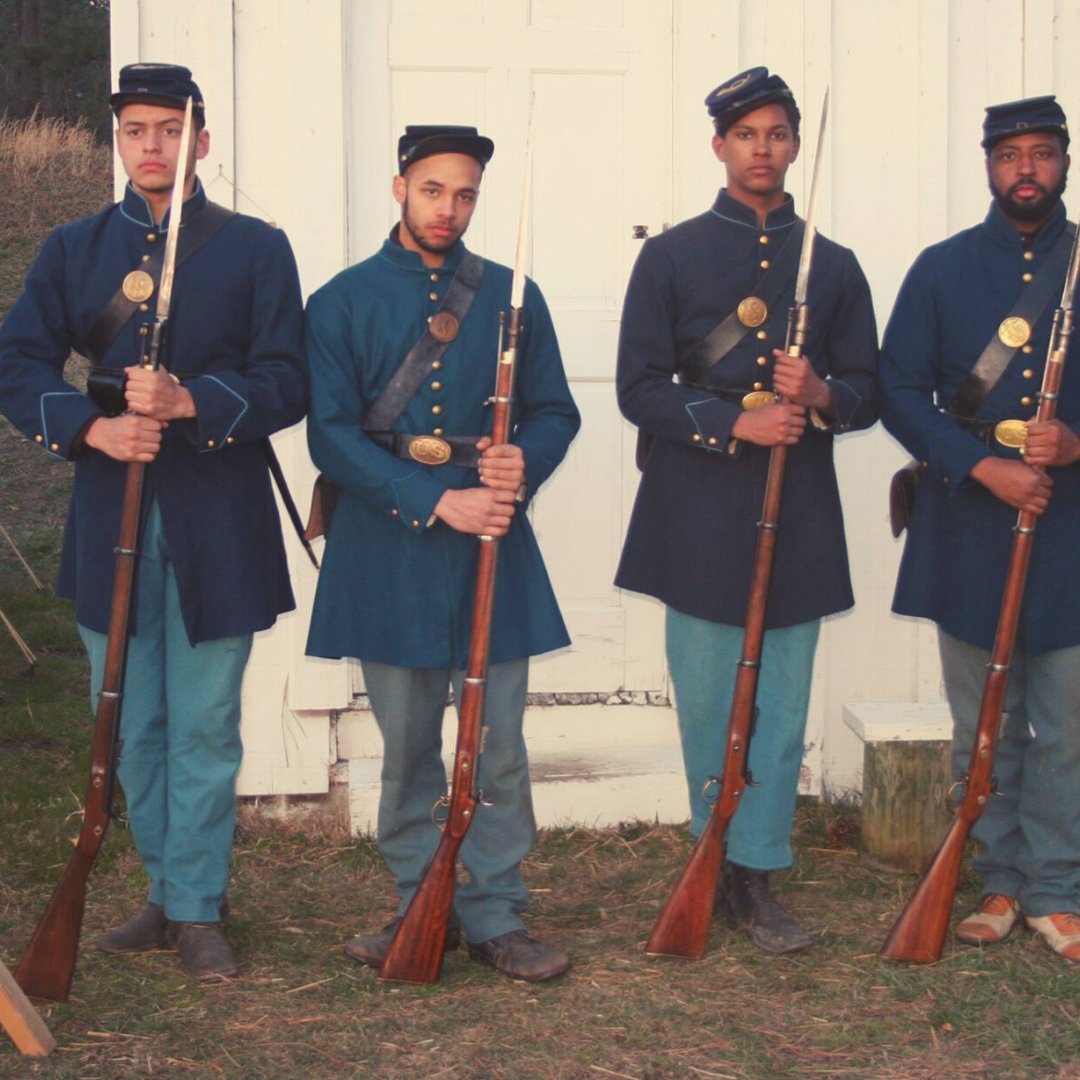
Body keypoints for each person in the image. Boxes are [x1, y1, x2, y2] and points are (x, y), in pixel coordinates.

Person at [0, 63, 307, 980]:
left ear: (200, 140)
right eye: (135, 129)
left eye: (169, 130)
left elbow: (289, 380)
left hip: (220, 520)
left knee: (207, 721)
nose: (151, 146)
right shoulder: (74, 248)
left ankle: (197, 904)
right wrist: (91, 426)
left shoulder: (256, 247)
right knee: (130, 722)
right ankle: (161, 888)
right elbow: (15, 362)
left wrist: (189, 401)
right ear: (117, 140)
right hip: (111, 516)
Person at [304, 125, 579, 982]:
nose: (448, 209)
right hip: (389, 550)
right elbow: (332, 439)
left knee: (497, 745)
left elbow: (555, 410)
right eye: (432, 190)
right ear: (399, 188)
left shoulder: (511, 294)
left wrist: (520, 461)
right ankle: (418, 902)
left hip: (492, 544)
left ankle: (496, 913)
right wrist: (435, 497)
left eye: (464, 194)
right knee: (411, 745)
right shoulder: (341, 301)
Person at [615, 68, 879, 954]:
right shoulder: (673, 255)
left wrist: (824, 392)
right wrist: (738, 419)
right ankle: (712, 856)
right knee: (706, 694)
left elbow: (873, 391)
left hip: (796, 506)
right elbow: (639, 388)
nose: (762, 149)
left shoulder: (834, 264)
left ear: (795, 144)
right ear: (720, 145)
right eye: (747, 134)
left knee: (782, 696)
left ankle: (759, 873)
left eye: (777, 133)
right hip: (697, 504)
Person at [880, 95, 1080, 964]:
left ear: (1065, 162)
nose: (1025, 170)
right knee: (985, 721)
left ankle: (1058, 888)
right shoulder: (941, 268)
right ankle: (997, 878)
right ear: (989, 165)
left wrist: (1075, 442)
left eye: (1042, 154)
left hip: (1071, 533)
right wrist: (981, 465)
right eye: (1010, 156)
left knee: (1069, 724)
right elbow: (896, 389)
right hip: (968, 525)